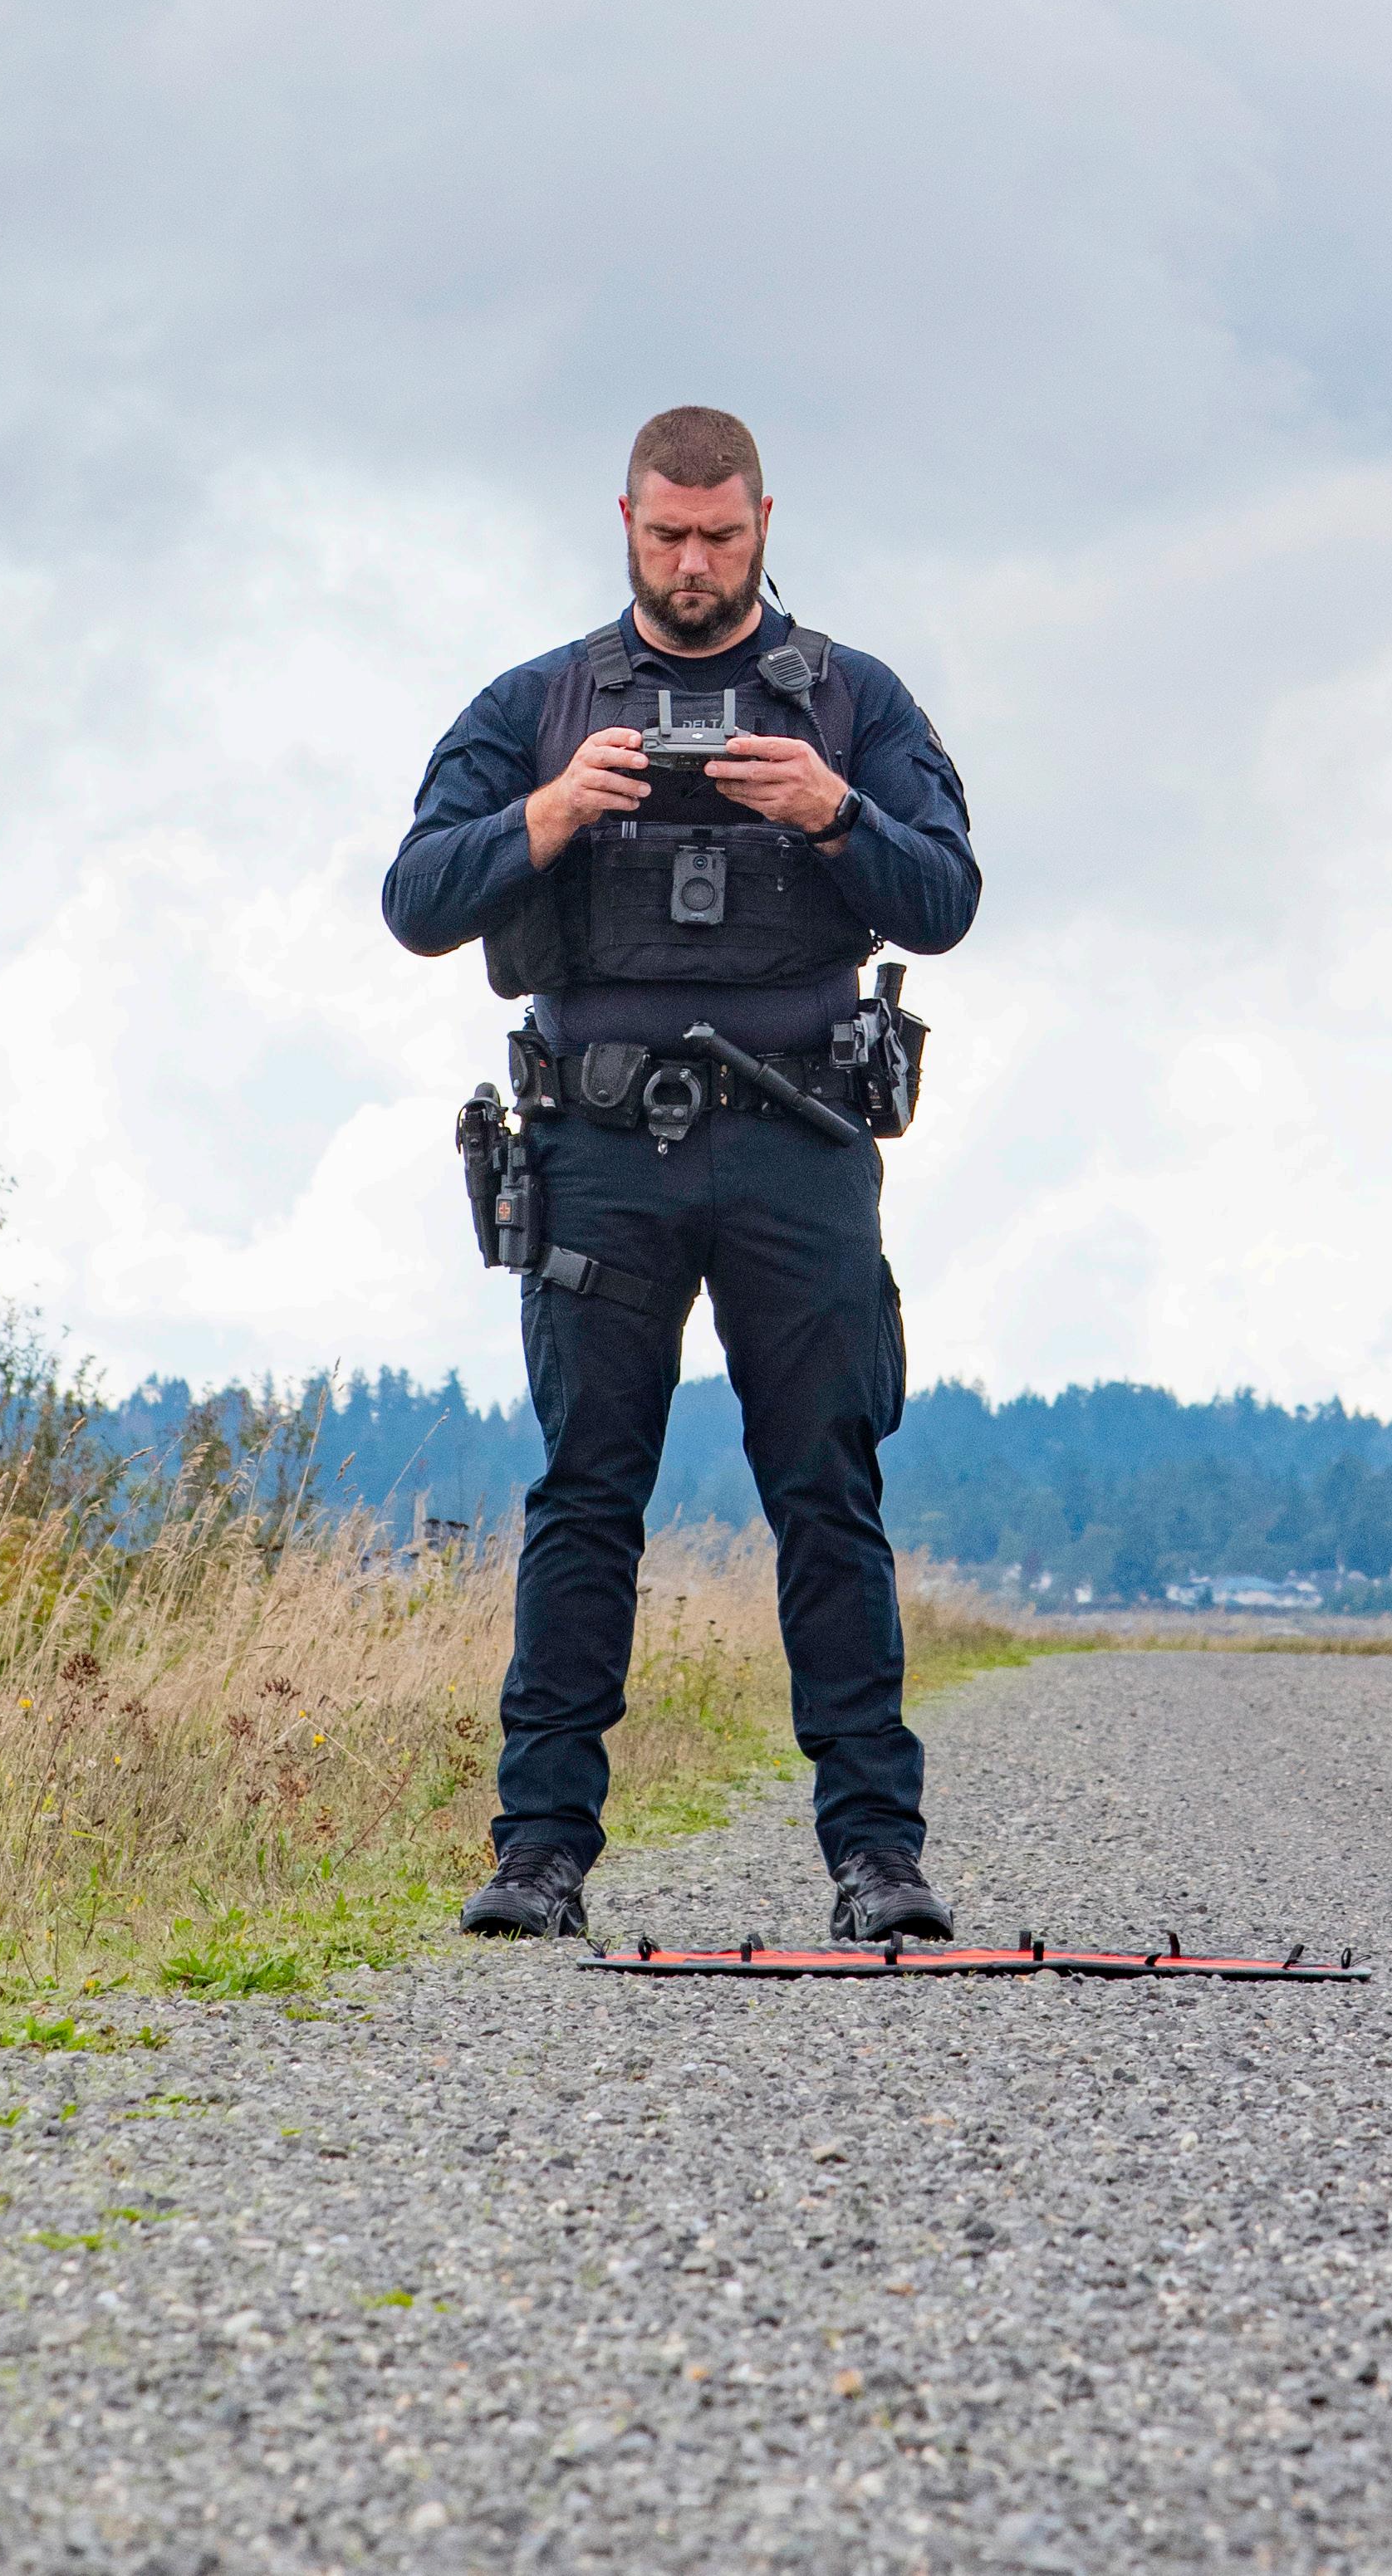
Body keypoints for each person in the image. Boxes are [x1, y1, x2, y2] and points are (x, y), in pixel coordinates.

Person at [382, 405, 979, 1947]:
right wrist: (550, 811)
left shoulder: (853, 700)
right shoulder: (538, 704)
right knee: (587, 1495)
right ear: (626, 524)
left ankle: (878, 1856)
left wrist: (834, 812)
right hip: (595, 1145)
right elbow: (415, 898)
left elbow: (946, 897)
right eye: (669, 535)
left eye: (720, 534)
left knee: (827, 1492)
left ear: (765, 521)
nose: (695, 562)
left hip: (801, 1140)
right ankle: (538, 1852)